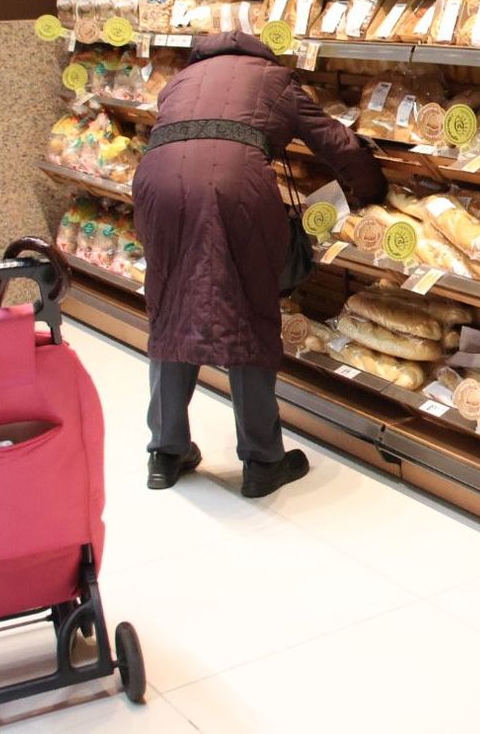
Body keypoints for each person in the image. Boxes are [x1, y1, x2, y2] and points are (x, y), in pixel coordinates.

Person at [132, 31, 385, 497]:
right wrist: (371, 191)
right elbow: (335, 143)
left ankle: (164, 454)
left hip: (156, 185)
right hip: (235, 185)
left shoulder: (181, 79)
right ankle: (263, 459)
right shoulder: (274, 78)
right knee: (248, 311)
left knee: (169, 308)